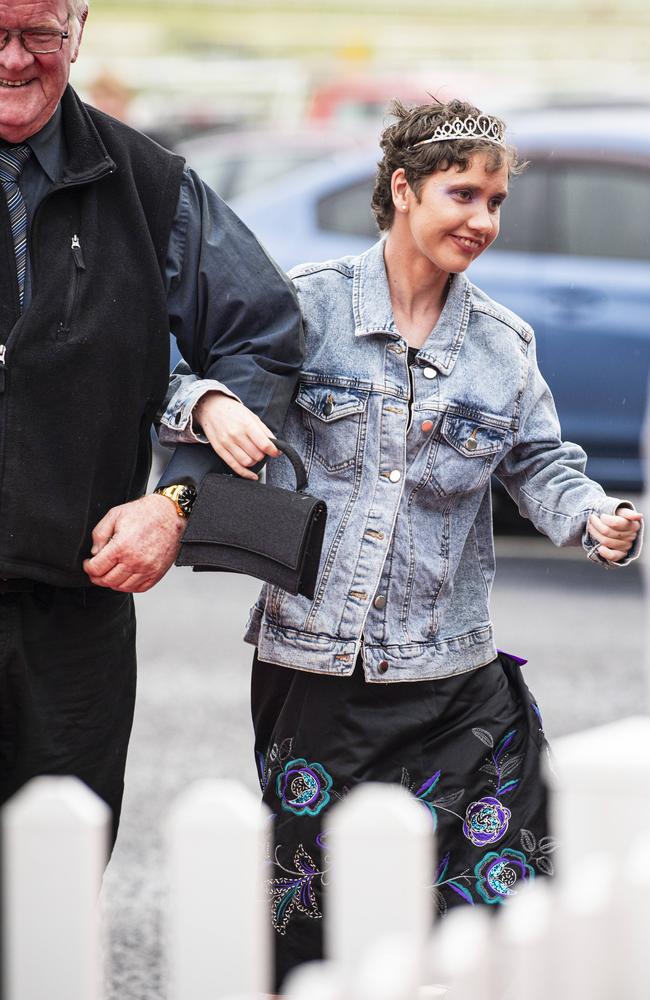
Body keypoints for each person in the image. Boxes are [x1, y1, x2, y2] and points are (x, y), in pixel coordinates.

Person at [164, 98, 643, 989]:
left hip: (454, 682)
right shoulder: (302, 307)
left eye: (495, 202)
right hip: (314, 671)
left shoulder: (504, 346)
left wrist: (593, 517)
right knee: (307, 918)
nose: (484, 221)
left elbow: (541, 463)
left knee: (501, 902)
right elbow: (170, 359)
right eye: (464, 194)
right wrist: (210, 404)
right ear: (402, 189)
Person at [0, 0, 302, 845]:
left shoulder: (149, 184)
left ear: (80, 28)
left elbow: (266, 341)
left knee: (50, 892)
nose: (17, 60)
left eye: (41, 35)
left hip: (76, 616)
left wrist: (177, 504)